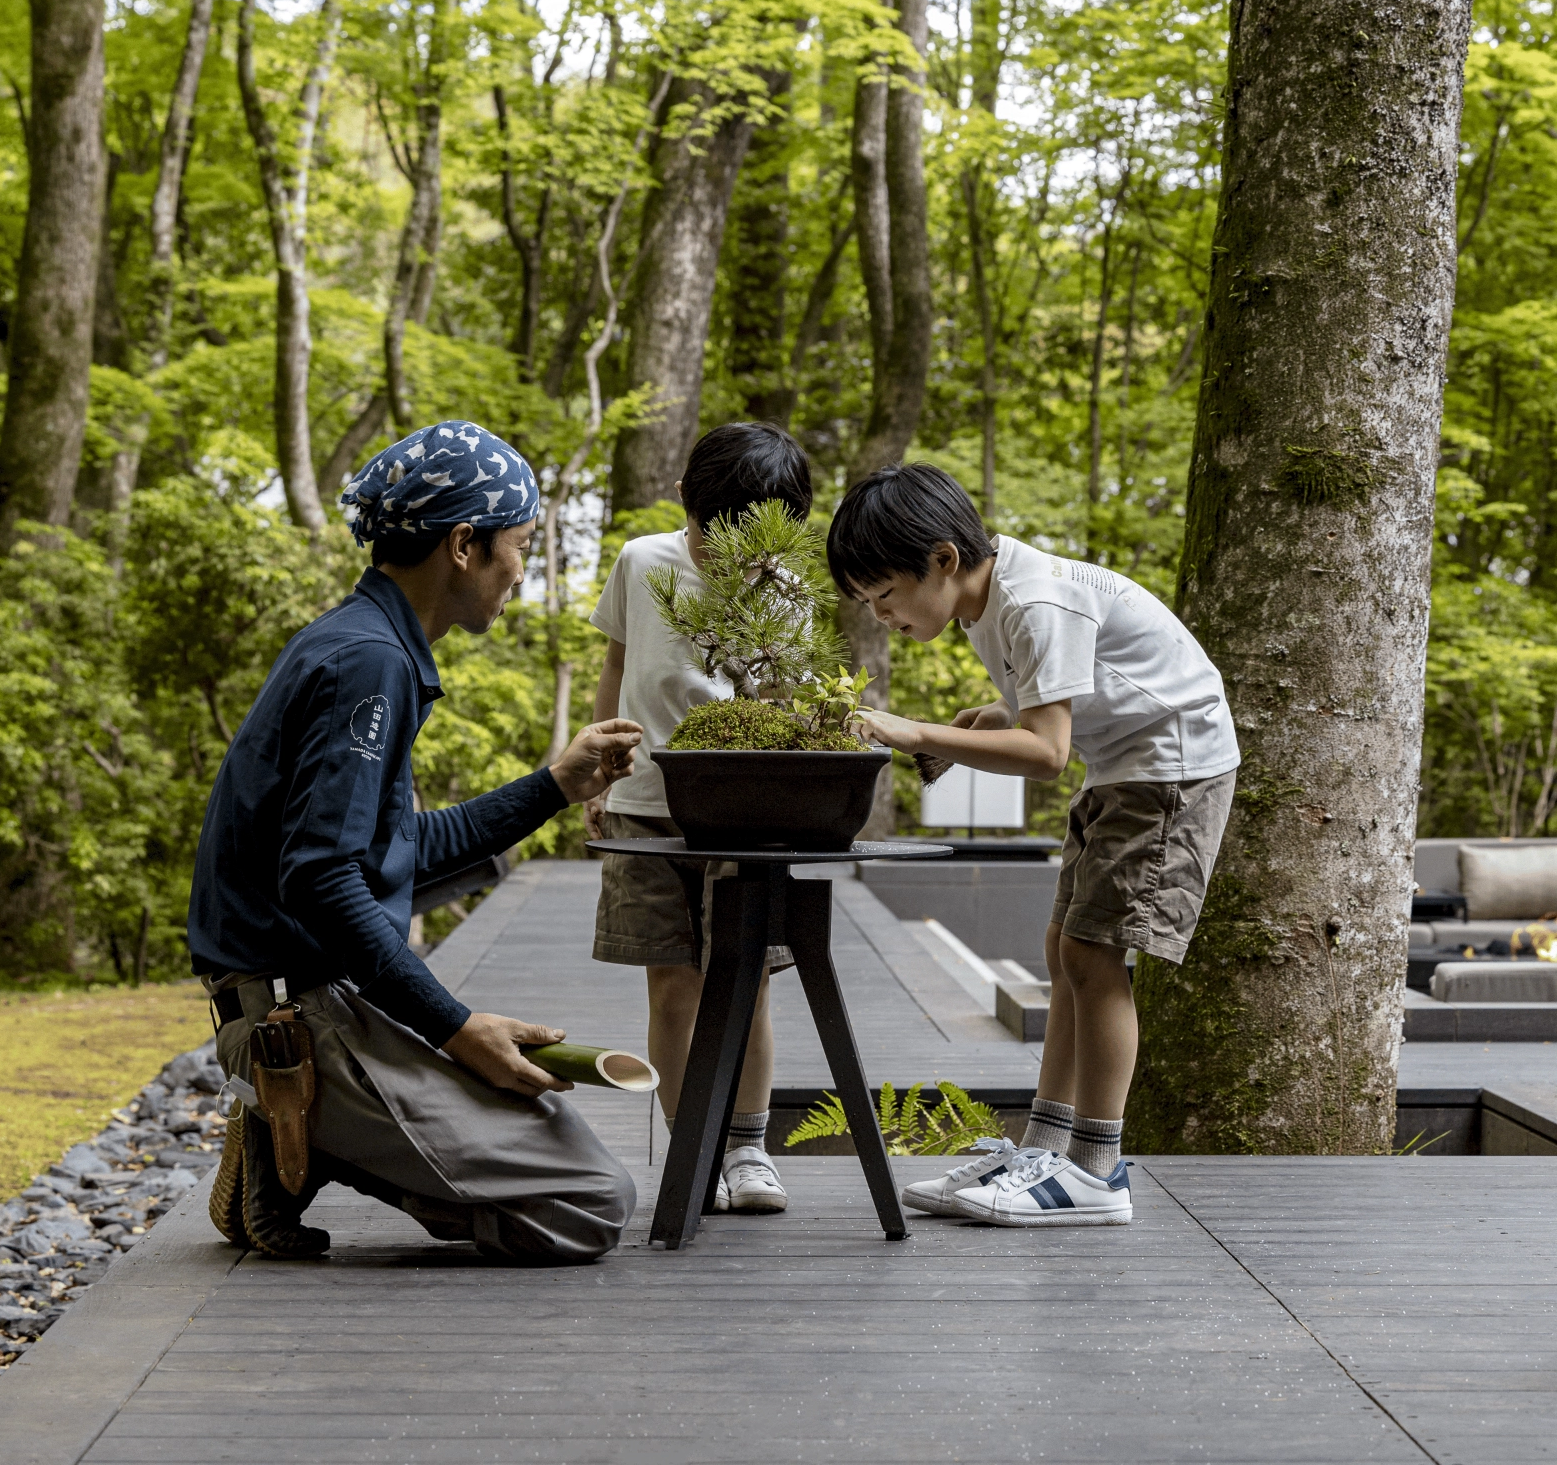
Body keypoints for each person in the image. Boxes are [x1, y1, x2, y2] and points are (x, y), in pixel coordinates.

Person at [189, 420, 645, 1265]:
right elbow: (322, 881)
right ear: (465, 544)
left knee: (566, 1163)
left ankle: (301, 1124)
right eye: (519, 545)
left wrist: (556, 785)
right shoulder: (369, 664)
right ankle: (301, 1124)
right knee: (588, 1205)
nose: (522, 571)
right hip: (295, 1013)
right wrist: (455, 1027)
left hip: (307, 993)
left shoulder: (365, 642)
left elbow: (395, 849)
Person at [826, 463, 1238, 1228]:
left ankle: (1096, 1172)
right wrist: (985, 719)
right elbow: (1057, 698)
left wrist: (912, 730)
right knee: (1063, 949)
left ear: (942, 560)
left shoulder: (1032, 599)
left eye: (884, 594)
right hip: (1126, 765)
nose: (880, 615)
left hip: (1173, 770)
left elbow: (1047, 752)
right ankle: (1045, 1150)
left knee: (1094, 953)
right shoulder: (996, 598)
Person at [585, 423, 814, 1214]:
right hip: (646, 804)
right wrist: (597, 765)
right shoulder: (643, 561)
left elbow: (784, 705)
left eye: (750, 535)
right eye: (710, 529)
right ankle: (694, 1146)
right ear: (684, 498)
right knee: (672, 984)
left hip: (747, 814)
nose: (722, 549)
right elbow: (616, 664)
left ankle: (748, 1147)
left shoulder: (784, 589)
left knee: (745, 984)